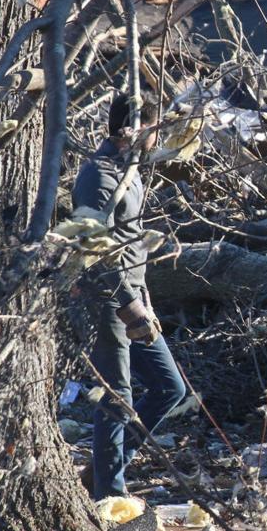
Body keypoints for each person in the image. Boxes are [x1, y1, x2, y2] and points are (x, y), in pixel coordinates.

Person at [74, 94, 186, 500]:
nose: (160, 135)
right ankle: (110, 498)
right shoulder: (100, 173)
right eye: (154, 126)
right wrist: (127, 301)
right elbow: (92, 245)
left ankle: (103, 472)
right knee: (118, 396)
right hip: (107, 299)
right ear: (133, 129)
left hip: (134, 294)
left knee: (171, 387)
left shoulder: (131, 171)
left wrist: (146, 300)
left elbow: (132, 243)